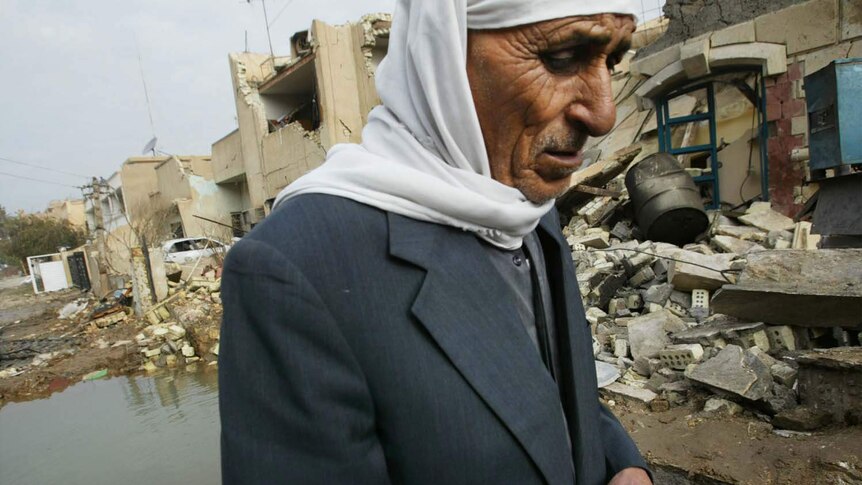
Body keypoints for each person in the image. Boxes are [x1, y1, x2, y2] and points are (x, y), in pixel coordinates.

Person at [219, 0, 652, 484]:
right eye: (562, 58)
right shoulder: (295, 268)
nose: (604, 112)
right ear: (442, 54)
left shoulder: (524, 209)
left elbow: (557, 387)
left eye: (611, 61)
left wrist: (622, 462)